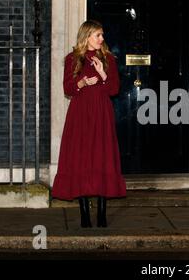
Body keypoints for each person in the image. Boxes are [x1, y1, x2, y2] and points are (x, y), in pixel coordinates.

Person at [52, 20, 126, 228]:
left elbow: (114, 90)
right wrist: (82, 82)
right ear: (87, 37)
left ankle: (102, 214)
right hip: (80, 114)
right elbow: (67, 88)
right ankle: (84, 213)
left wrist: (102, 73)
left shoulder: (108, 59)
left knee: (101, 157)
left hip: (102, 113)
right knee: (81, 158)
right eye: (98, 35)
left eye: (102, 35)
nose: (102, 39)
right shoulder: (73, 58)